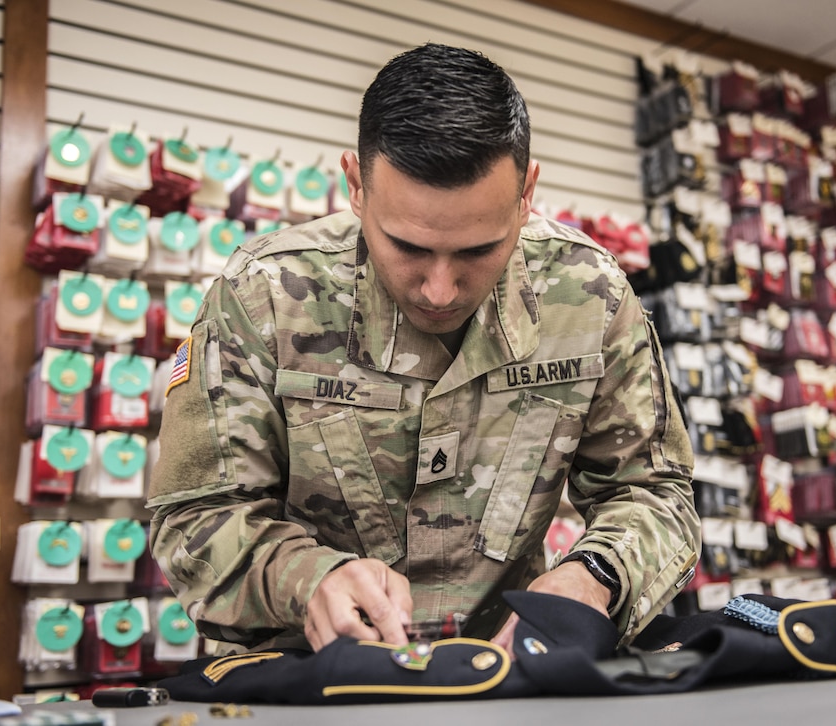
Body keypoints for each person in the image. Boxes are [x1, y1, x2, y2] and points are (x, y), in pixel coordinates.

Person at [147, 42, 700, 657]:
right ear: (355, 186)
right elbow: (195, 521)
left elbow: (654, 493)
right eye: (407, 247)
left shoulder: (587, 294)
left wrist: (594, 577)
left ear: (527, 193)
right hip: (316, 684)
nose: (440, 290)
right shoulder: (265, 297)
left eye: (477, 250)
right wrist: (308, 580)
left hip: (508, 678)